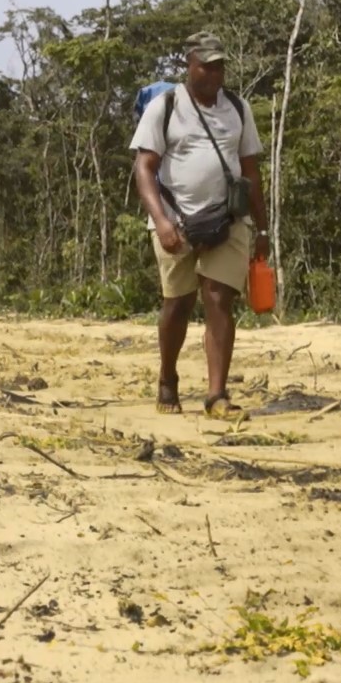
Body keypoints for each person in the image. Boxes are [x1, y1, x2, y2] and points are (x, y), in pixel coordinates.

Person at [129, 31, 270, 421]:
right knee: (178, 302)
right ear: (188, 65)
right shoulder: (166, 106)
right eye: (205, 65)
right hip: (177, 222)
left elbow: (251, 171)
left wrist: (262, 229)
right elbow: (144, 167)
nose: (214, 73)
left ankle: (216, 396)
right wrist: (161, 222)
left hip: (228, 221)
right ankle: (167, 379)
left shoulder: (238, 109)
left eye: (219, 65)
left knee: (219, 299)